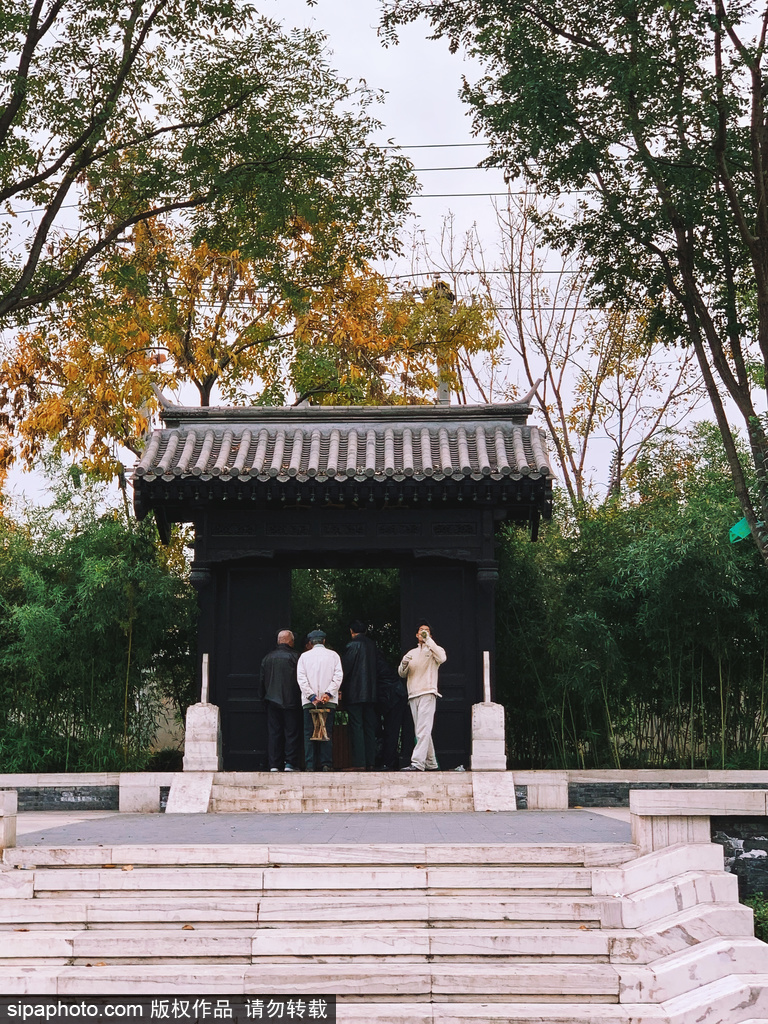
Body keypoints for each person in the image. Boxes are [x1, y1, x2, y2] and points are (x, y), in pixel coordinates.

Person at [398, 620, 446, 772]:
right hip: (413, 694)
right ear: (416, 635)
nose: (423, 632)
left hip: (427, 692)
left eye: (426, 630)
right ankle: (431, 763)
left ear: (430, 634)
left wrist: (429, 640)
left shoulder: (434, 651)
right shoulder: (411, 653)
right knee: (422, 730)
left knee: (422, 729)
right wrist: (404, 663)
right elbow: (402, 673)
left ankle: (418, 763)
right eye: (421, 630)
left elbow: (442, 658)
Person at [297, 629, 343, 772]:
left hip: (309, 701)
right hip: (328, 700)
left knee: (309, 732)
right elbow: (338, 676)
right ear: (324, 641)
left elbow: (301, 678)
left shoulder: (304, 657)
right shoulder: (333, 656)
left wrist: (311, 696)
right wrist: (328, 694)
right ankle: (326, 763)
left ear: (310, 643)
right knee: (326, 730)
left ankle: (310, 765)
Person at [257, 629, 302, 772]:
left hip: (271, 700)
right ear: (290, 641)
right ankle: (290, 763)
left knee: (274, 733)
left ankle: (274, 764)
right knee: (291, 732)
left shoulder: (267, 658)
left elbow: (262, 681)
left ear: (278, 641)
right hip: (292, 700)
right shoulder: (296, 657)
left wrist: (263, 698)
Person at [341, 619, 379, 770]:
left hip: (355, 693)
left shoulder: (352, 646)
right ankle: (371, 761)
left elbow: (345, 669)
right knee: (369, 726)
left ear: (351, 631)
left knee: (357, 726)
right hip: (371, 693)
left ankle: (359, 763)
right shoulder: (373, 646)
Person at [376, 649, 408, 770]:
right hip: (396, 697)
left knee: (391, 731)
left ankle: (387, 762)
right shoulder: (383, 664)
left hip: (393, 699)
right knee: (392, 731)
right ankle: (389, 761)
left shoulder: (374, 666)